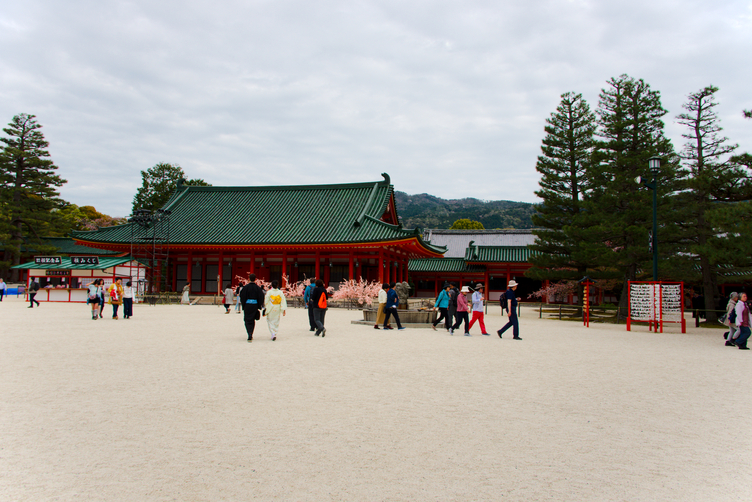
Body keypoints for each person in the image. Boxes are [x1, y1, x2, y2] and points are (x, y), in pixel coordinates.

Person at [240, 274, 265, 342]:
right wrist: (259, 305)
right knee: (252, 319)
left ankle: (249, 332)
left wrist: (243, 305)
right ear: (255, 279)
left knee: (247, 319)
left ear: (249, 279)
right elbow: (261, 296)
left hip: (247, 305)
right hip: (255, 305)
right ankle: (251, 332)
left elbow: (242, 296)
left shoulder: (245, 288)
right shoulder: (258, 288)